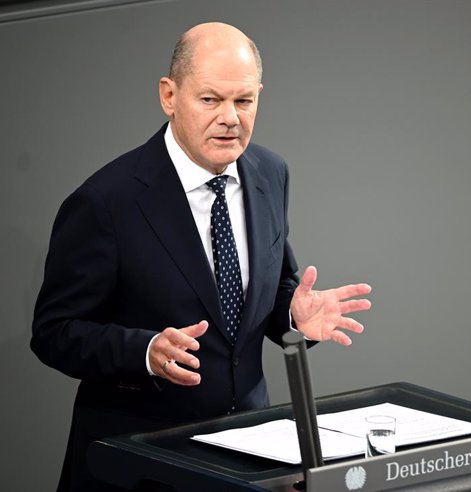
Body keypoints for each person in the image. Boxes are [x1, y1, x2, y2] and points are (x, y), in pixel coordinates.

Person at [31, 22, 372, 492]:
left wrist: (293, 314)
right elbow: (54, 333)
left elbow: (270, 289)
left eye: (244, 100)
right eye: (210, 99)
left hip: (251, 455)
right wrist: (147, 351)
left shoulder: (270, 173)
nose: (230, 117)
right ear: (169, 96)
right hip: (142, 460)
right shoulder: (105, 202)